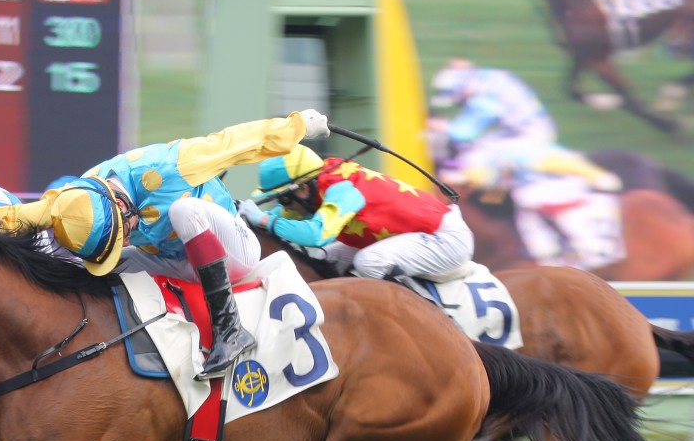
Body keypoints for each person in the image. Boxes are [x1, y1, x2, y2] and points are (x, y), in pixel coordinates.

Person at [0, 109, 331, 380]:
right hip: (175, 261)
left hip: (232, 252)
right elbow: (14, 215)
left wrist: (298, 125)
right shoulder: (72, 199)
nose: (126, 240)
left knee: (184, 210)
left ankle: (231, 330)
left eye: (122, 233)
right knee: (92, 270)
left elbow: (238, 142)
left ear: (119, 205)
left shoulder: (174, 164)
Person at [236, 145, 474, 283]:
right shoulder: (317, 183)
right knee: (324, 259)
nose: (283, 205)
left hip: (446, 238)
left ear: (303, 188)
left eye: (284, 197)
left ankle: (416, 321)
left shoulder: (342, 189)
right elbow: (286, 216)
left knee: (369, 262)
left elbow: (316, 234)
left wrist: (265, 219)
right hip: (410, 235)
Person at [444, 139, 625, 270]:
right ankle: (551, 254)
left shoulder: (489, 156)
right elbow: (493, 187)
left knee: (528, 198)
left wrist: (595, 175)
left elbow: (483, 181)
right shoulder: (495, 154)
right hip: (548, 183)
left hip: (562, 184)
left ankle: (584, 253)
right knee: (526, 204)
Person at [429, 59, 558, 158]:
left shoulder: (482, 96)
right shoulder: (489, 78)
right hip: (531, 130)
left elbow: (465, 132)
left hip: (530, 136)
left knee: (475, 155)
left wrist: (440, 126)